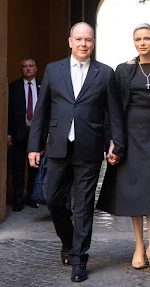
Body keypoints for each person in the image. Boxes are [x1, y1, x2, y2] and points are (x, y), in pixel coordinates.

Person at [27, 22, 124, 283]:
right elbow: (42, 111)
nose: (83, 44)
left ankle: (79, 259)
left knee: (83, 206)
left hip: (89, 147)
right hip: (58, 146)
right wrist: (34, 146)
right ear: (70, 41)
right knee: (54, 200)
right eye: (79, 39)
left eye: (88, 40)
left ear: (93, 43)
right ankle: (69, 242)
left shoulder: (105, 73)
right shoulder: (53, 70)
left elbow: (114, 112)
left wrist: (117, 142)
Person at [96, 23, 150, 274]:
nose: (142, 42)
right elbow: (114, 109)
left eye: (146, 38)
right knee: (135, 191)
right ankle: (138, 246)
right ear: (133, 42)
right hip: (131, 135)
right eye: (138, 39)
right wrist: (115, 141)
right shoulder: (123, 70)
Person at [8, 58, 42, 211]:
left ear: (36, 69)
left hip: (37, 133)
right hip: (18, 134)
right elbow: (8, 112)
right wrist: (8, 134)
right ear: (21, 70)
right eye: (24, 67)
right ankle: (18, 201)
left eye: (31, 66)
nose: (28, 69)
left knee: (35, 168)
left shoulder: (44, 86)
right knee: (18, 168)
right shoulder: (13, 87)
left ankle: (32, 198)